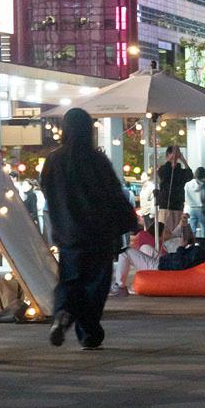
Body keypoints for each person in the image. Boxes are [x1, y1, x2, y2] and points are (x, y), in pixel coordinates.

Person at [41, 107, 137, 349]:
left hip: (67, 233)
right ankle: (89, 333)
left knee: (70, 279)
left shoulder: (53, 161)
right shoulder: (96, 159)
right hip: (98, 233)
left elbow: (48, 193)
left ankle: (63, 312)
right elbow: (114, 194)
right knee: (96, 283)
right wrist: (128, 221)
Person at [155, 146, 192, 235]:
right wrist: (170, 161)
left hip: (177, 204)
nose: (176, 156)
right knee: (165, 232)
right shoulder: (163, 169)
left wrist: (183, 160)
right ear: (168, 155)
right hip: (165, 204)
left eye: (178, 154)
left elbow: (190, 176)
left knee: (177, 231)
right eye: (174, 153)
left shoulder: (180, 170)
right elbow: (162, 174)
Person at [183, 166, 205, 238]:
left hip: (190, 209)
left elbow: (185, 195)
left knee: (192, 230)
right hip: (202, 209)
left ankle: (191, 244)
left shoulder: (187, 184)